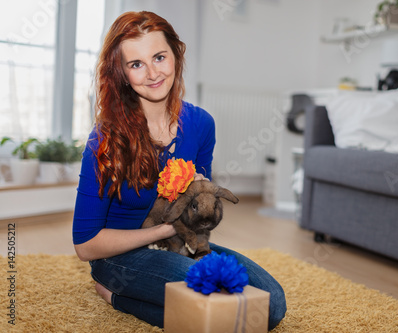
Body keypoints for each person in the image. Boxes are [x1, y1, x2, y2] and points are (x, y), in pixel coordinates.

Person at [72, 11, 286, 330]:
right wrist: (162, 231)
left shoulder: (201, 124)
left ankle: (146, 301)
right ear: (122, 74)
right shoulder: (104, 140)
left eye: (159, 57)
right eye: (136, 64)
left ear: (176, 55)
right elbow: (85, 245)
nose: (152, 73)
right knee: (225, 305)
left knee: (271, 304)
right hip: (118, 259)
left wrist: (199, 194)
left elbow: (197, 215)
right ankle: (115, 295)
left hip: (180, 246)